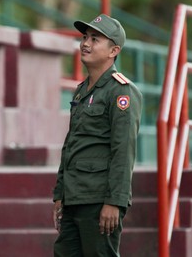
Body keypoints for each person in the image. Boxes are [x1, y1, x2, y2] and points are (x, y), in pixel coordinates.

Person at [52, 14, 142, 256]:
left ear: (114, 50)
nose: (85, 43)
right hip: (74, 197)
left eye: (95, 39)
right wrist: (60, 194)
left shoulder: (121, 92)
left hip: (99, 200)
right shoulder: (81, 91)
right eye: (84, 37)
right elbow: (71, 144)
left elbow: (123, 151)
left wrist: (115, 201)